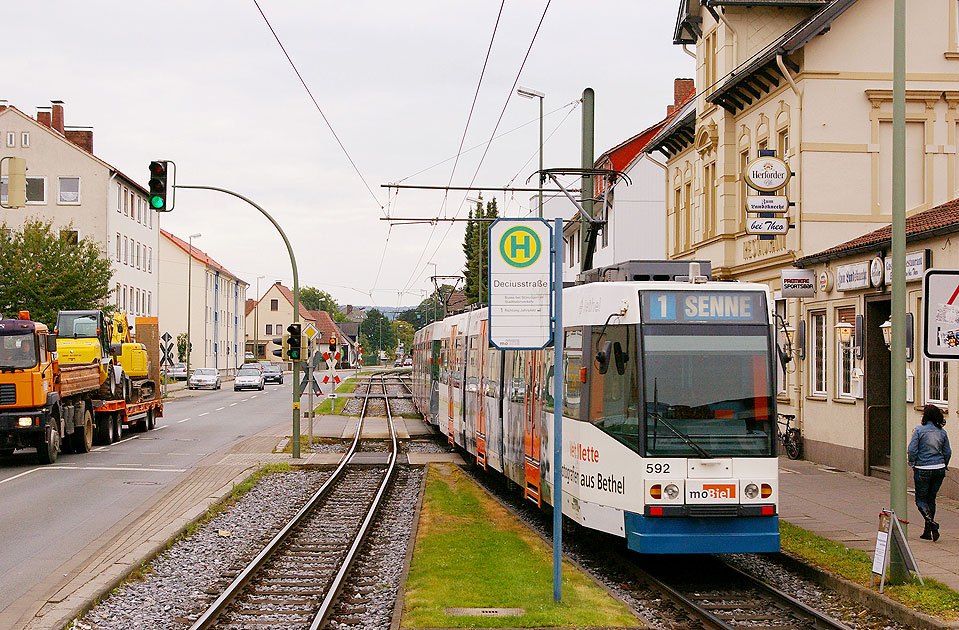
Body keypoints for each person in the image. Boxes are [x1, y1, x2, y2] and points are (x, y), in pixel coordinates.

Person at [908, 404, 952, 541]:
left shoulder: (919, 431)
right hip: (938, 467)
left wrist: (912, 462)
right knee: (931, 499)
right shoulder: (942, 432)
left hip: (923, 468)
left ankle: (931, 523)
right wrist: (944, 464)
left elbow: (912, 450)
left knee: (920, 499)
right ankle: (928, 531)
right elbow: (947, 451)